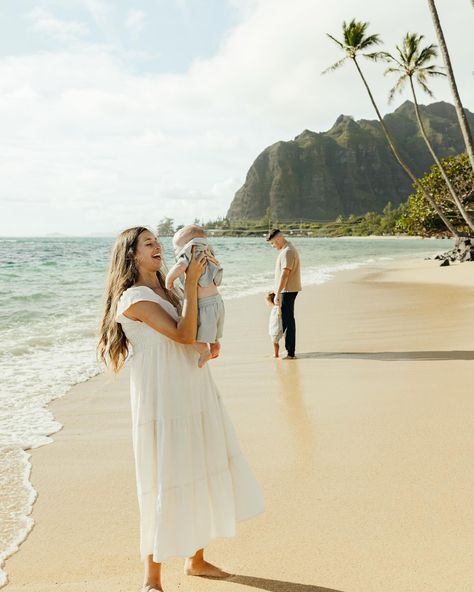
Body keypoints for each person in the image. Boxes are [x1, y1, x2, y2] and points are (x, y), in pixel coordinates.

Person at [98, 227, 264, 592]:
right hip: (162, 399)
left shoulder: (167, 290)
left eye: (158, 241)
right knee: (163, 477)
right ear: (131, 256)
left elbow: (196, 329)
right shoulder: (133, 299)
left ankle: (197, 560)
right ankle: (152, 580)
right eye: (148, 243)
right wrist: (189, 285)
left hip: (193, 386)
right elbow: (182, 334)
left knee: (200, 467)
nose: (158, 246)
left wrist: (212, 341)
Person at [166, 224, 224, 368]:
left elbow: (180, 266)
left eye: (175, 248)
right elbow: (217, 276)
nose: (175, 251)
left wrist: (169, 280)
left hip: (203, 305)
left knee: (196, 333)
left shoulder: (189, 251)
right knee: (211, 327)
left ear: (187, 244)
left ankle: (205, 352)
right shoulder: (208, 251)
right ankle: (215, 343)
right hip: (218, 302)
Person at [266, 228, 302, 359]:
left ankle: (290, 353)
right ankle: (289, 350)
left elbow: (285, 274)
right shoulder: (286, 250)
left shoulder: (288, 251)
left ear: (279, 239)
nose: (272, 246)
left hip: (287, 290)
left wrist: (278, 293)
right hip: (287, 290)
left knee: (288, 322)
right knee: (287, 321)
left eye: (273, 243)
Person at [266, 291, 283, 358]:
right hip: (274, 328)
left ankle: (276, 354)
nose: (267, 303)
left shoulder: (276, 308)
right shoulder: (274, 308)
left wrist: (278, 306)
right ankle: (276, 353)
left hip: (276, 328)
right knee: (275, 342)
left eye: (267, 301)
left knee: (275, 342)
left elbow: (279, 314)